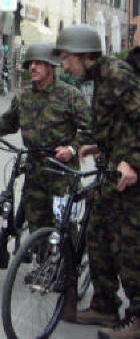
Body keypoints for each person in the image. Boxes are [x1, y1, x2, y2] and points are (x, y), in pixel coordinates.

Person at [0, 42, 92, 319]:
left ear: (51, 68)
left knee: (65, 222)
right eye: (31, 63)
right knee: (36, 218)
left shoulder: (70, 95)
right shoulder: (24, 97)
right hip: (35, 167)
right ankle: (45, 265)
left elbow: (91, 127)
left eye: (39, 63)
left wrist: (73, 148)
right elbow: (10, 120)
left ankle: (69, 270)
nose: (33, 67)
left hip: (62, 170)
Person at [54, 24, 140, 338]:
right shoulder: (99, 79)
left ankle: (137, 315)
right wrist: (94, 145)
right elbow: (117, 123)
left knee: (128, 245)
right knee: (98, 236)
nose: (64, 65)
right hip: (111, 169)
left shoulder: (117, 75)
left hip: (130, 176)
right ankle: (105, 305)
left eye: (67, 58)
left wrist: (133, 161)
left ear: (85, 54)